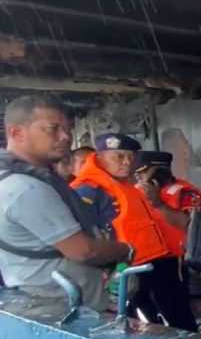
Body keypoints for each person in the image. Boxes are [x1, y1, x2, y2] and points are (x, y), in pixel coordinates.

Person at [0, 96, 131, 311]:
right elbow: (84, 251)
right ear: (16, 133)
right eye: (52, 129)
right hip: (62, 311)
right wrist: (125, 249)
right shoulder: (26, 189)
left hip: (47, 303)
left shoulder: (13, 179)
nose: (65, 137)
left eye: (67, 129)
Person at [73, 134, 197, 331]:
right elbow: (84, 236)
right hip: (121, 268)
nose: (127, 163)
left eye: (131, 157)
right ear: (100, 157)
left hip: (152, 263)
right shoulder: (89, 191)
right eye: (119, 157)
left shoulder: (125, 185)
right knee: (128, 323)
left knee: (176, 319)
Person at [134, 151, 201, 231]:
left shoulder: (185, 194)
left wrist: (157, 203)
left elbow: (193, 228)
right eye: (137, 173)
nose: (138, 177)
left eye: (143, 171)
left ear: (160, 172)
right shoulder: (138, 192)